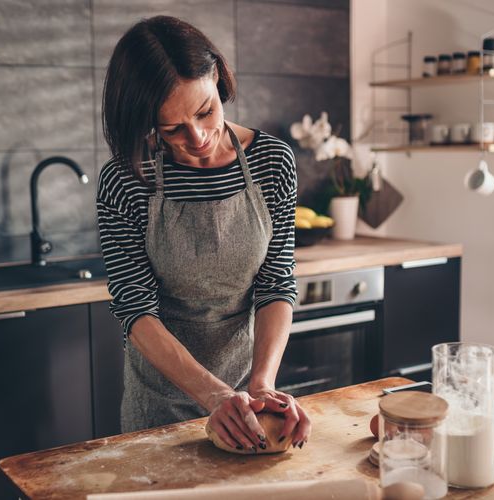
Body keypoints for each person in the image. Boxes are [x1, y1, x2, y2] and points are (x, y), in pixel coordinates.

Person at [96, 15, 311, 452]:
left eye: (205, 111)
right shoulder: (125, 179)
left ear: (217, 78)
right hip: (157, 405)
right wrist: (213, 395)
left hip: (247, 392)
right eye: (171, 128)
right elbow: (135, 309)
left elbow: (275, 284)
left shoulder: (272, 162)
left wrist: (261, 386)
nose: (196, 137)